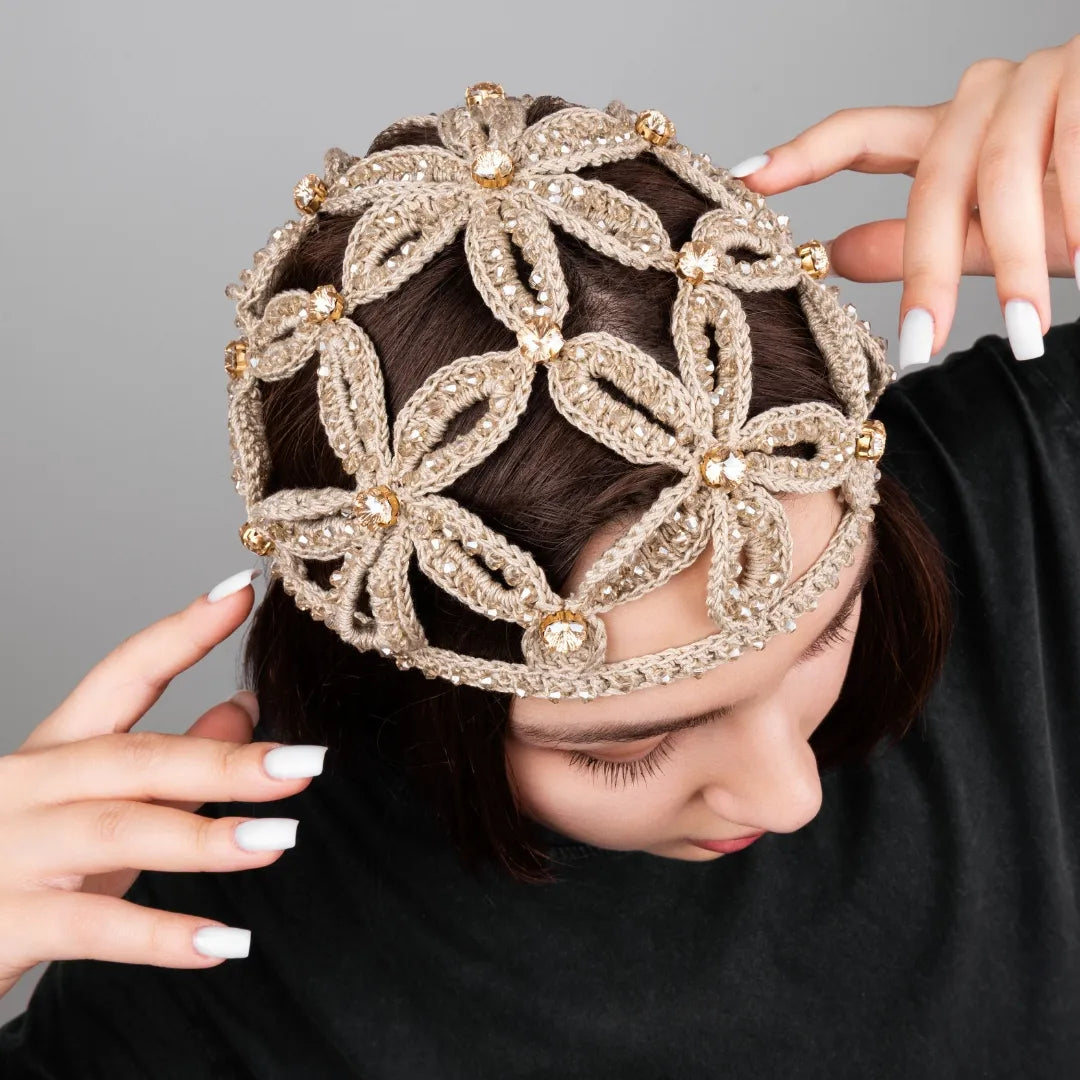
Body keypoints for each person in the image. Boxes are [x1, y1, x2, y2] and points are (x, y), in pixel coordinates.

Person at [2, 41, 1079, 1079]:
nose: (788, 792)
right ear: (417, 692)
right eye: (628, 746)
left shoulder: (1031, 483)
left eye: (829, 626)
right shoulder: (223, 965)